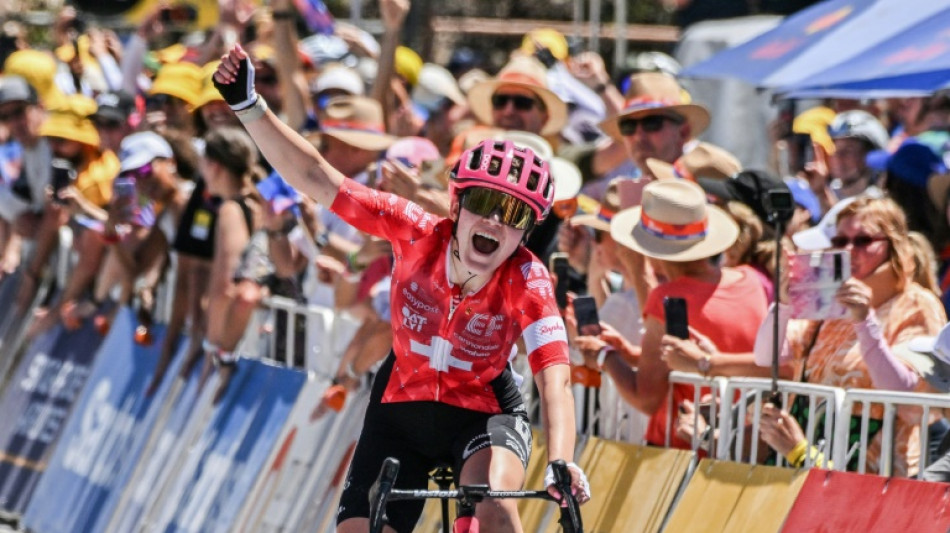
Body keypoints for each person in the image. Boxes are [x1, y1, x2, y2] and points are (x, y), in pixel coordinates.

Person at [213, 44, 589, 532]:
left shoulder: (528, 278)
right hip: (402, 407)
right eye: (481, 201)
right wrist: (249, 106)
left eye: (514, 214)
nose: (495, 222)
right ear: (455, 205)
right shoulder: (412, 231)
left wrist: (562, 458)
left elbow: (554, 378)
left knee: (493, 505)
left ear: (526, 231)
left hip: (485, 413)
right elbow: (316, 177)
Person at [757, 196, 947, 477]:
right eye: (840, 241)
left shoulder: (917, 303)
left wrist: (865, 322)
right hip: (805, 460)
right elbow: (766, 356)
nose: (849, 250)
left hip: (878, 473)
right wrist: (783, 304)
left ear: (892, 245)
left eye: (862, 241)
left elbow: (909, 396)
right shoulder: (829, 297)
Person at [588, 178, 776, 450]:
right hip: (740, 450)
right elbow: (697, 358)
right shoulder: (751, 281)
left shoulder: (668, 298)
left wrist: (605, 356)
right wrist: (630, 354)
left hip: (681, 452)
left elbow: (647, 398)